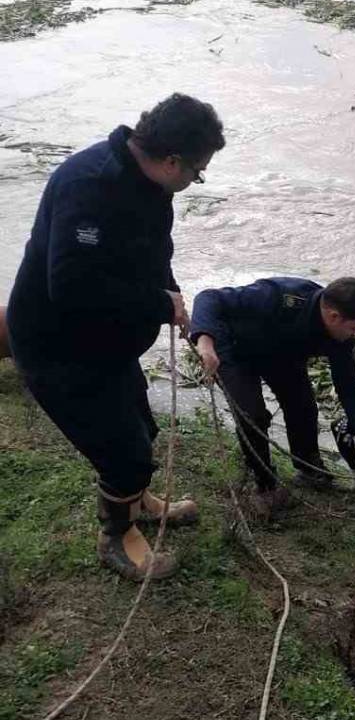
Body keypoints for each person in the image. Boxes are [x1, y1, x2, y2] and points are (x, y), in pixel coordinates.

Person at [6, 93, 226, 581]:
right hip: (58, 345)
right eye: (197, 171)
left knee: (141, 428)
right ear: (171, 161)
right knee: (122, 451)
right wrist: (155, 305)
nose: (195, 181)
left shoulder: (150, 184)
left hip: (106, 340)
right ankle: (117, 536)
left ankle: (139, 501)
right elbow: (69, 284)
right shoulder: (89, 186)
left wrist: (171, 294)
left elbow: (153, 249)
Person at [191, 275, 355, 510]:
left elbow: (350, 389)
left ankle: (309, 469)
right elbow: (209, 298)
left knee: (304, 407)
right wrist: (205, 342)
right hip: (233, 351)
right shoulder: (278, 296)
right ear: (334, 316)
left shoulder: (342, 338)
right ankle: (265, 484)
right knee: (253, 416)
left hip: (282, 356)